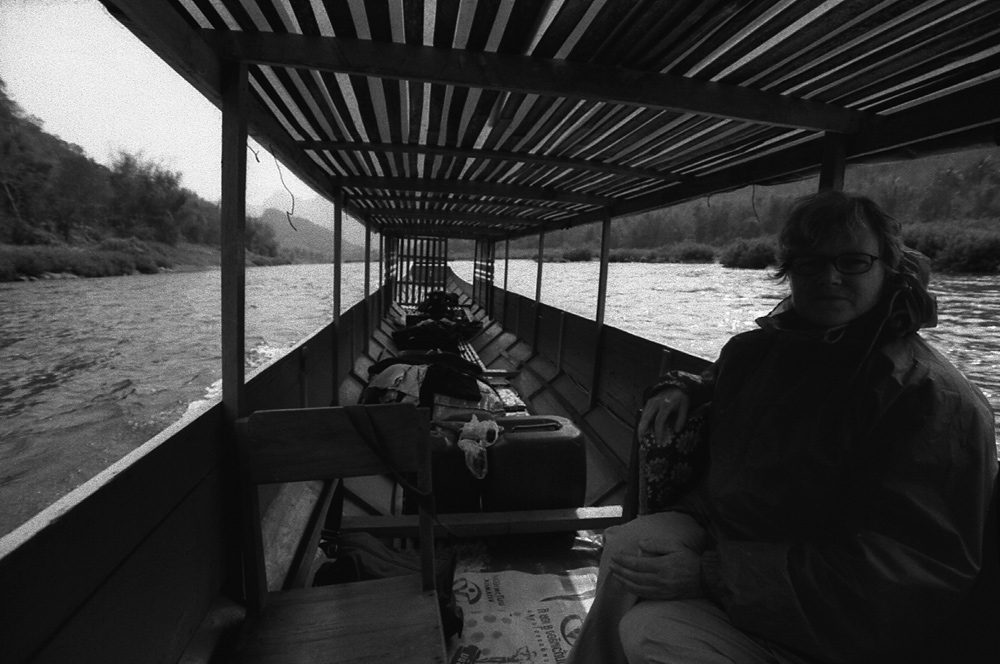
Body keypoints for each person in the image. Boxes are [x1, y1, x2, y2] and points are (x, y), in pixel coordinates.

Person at [566, 191, 998, 664]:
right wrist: (681, 384)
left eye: (853, 261)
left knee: (652, 631)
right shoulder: (767, 350)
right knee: (628, 546)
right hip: (739, 541)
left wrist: (711, 575)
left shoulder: (929, 399)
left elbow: (896, 577)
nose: (830, 277)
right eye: (810, 263)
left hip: (833, 619)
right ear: (789, 272)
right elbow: (730, 380)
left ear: (888, 268)